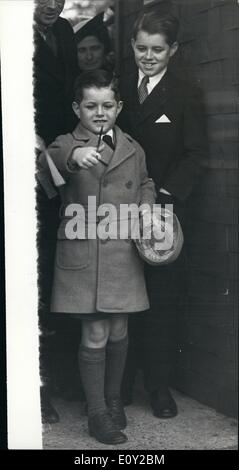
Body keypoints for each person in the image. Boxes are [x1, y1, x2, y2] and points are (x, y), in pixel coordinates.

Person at [38, 69, 155, 445]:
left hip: (122, 252)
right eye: (91, 106)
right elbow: (49, 163)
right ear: (77, 108)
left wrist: (148, 207)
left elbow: (146, 182)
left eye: (107, 105)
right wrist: (76, 155)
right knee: (96, 332)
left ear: (119, 107)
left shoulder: (133, 148)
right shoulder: (65, 143)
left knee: (119, 330)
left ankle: (114, 398)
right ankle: (97, 413)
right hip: (85, 252)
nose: (100, 113)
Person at [119, 11, 208, 418]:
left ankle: (158, 388)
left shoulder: (186, 93)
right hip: (115, 210)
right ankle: (117, 385)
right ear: (132, 45)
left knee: (161, 300)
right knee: (119, 294)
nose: (148, 57)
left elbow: (194, 155)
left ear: (172, 50)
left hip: (161, 214)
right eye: (141, 48)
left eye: (157, 49)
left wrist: (165, 197)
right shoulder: (119, 87)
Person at [33, 0, 78, 423]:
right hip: (28, 166)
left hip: (63, 163)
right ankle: (35, 389)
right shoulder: (11, 32)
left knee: (59, 266)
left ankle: (63, 377)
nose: (50, 4)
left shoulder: (64, 32)